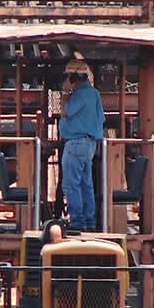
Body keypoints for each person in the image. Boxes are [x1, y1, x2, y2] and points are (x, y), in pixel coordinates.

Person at [59, 62, 105, 230]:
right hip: (90, 145)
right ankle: (89, 222)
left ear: (73, 78)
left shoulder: (79, 95)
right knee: (86, 183)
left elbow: (65, 112)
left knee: (71, 184)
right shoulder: (94, 94)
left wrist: (65, 92)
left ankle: (77, 223)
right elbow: (102, 119)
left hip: (76, 143)